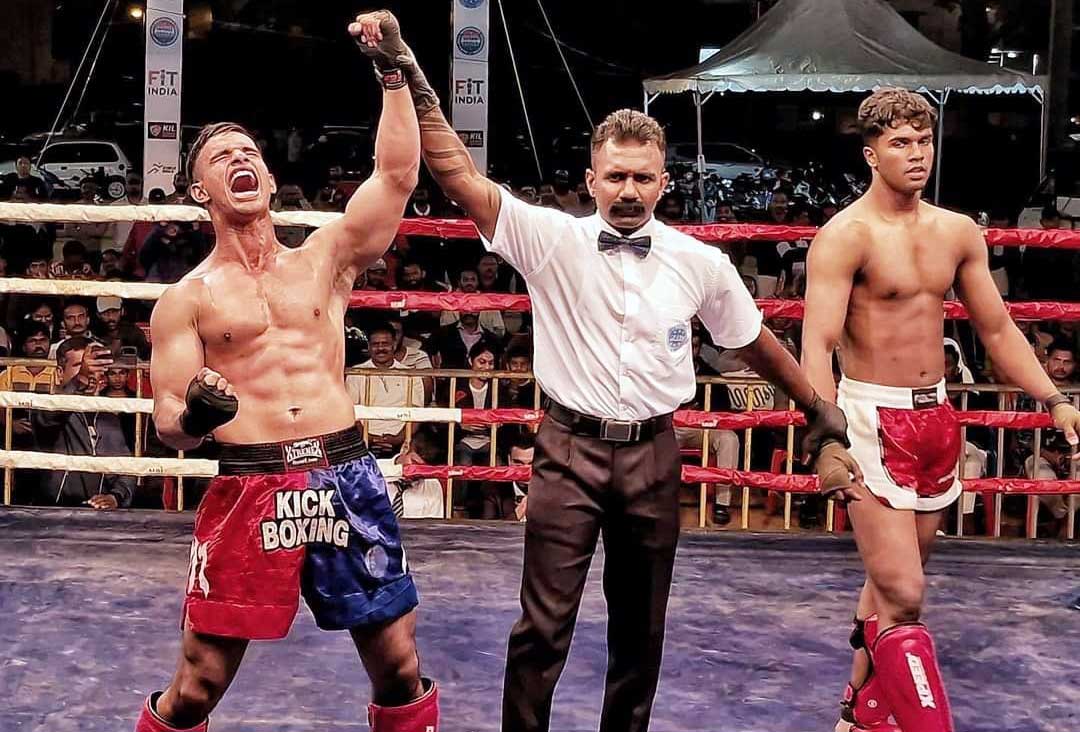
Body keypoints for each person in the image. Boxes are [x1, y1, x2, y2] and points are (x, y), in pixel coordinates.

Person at [374, 25, 855, 729]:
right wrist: (408, 71)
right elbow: (458, 175)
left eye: (642, 177)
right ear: (591, 179)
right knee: (542, 626)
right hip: (567, 450)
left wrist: (817, 407)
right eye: (616, 176)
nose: (629, 190)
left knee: (641, 628)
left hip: (655, 453)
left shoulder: (699, 262)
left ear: (664, 181)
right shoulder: (551, 239)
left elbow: (752, 342)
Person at [134, 13, 438, 732]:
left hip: (345, 474)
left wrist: (393, 72)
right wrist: (200, 413)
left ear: (269, 178)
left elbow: (396, 176)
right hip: (250, 483)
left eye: (249, 152)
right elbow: (170, 424)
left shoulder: (324, 258)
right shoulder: (186, 301)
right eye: (220, 157)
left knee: (398, 664)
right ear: (201, 192)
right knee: (197, 684)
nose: (238, 158)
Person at [800, 88, 1080, 732]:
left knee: (890, 587)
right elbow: (816, 343)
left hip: (936, 419)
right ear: (872, 154)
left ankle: (858, 712)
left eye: (924, 140)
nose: (917, 153)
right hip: (869, 417)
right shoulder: (845, 237)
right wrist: (827, 437)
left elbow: (999, 329)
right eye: (900, 142)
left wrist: (1054, 398)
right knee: (905, 593)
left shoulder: (956, 231)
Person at [33, 337, 135, 509]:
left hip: (98, 514)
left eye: (94, 367)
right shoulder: (46, 406)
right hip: (52, 511)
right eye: (79, 366)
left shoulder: (109, 416)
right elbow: (47, 418)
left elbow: (126, 467)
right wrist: (80, 379)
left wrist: (115, 496)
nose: (89, 372)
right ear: (59, 373)